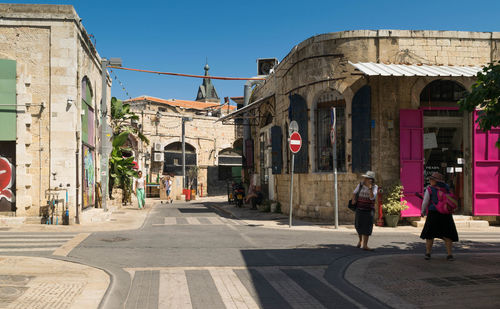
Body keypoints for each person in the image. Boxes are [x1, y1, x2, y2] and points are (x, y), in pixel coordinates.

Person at [420, 172, 459, 261]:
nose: (429, 180)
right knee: (448, 234)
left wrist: (422, 211)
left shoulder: (430, 189)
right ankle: (449, 255)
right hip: (446, 214)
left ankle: (428, 253)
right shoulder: (447, 188)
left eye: (431, 179)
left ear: (435, 181)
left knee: (430, 235)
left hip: (433, 214)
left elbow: (425, 201)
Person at [352, 171, 378, 251]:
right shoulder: (360, 185)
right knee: (358, 226)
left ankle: (365, 245)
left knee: (367, 227)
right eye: (365, 178)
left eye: (367, 178)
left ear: (371, 180)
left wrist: (370, 188)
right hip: (359, 209)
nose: (365, 179)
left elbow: (372, 197)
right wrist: (353, 200)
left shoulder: (375, 187)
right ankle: (360, 240)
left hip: (368, 210)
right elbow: (354, 192)